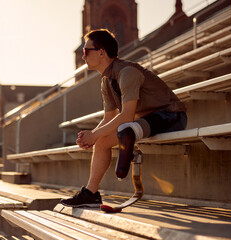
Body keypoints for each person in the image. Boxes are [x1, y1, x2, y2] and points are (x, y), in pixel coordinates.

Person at [61, 29, 187, 208]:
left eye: (86, 51)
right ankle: (91, 193)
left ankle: (126, 146)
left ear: (101, 52)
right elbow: (108, 118)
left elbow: (127, 115)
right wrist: (93, 135)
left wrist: (94, 135)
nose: (83, 57)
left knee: (124, 128)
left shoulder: (127, 72)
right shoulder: (105, 80)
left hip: (172, 116)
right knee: (103, 141)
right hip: (144, 121)